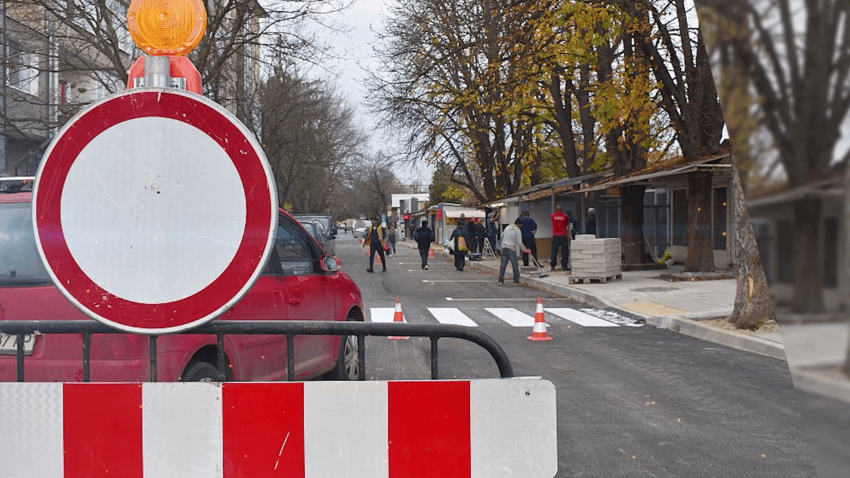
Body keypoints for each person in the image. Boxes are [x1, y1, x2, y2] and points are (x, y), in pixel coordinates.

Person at [498, 217, 528, 285]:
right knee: (515, 265)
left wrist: (502, 245)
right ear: (520, 224)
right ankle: (516, 280)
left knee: (503, 266)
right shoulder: (517, 231)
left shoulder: (507, 227)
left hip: (504, 248)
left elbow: (502, 236)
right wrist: (525, 250)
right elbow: (519, 243)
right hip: (511, 249)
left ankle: (500, 280)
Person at [550, 205, 570, 271]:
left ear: (556, 209)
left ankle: (553, 265)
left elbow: (552, 222)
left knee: (554, 251)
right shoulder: (565, 216)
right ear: (562, 209)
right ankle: (564, 265)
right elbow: (567, 225)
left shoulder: (553, 216)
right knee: (564, 251)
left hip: (555, 235)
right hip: (563, 235)